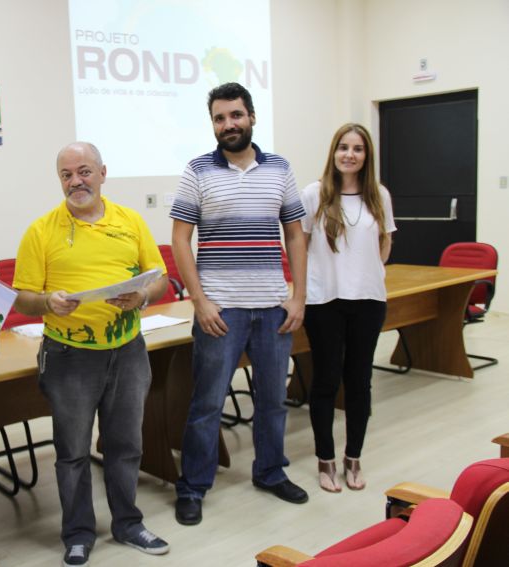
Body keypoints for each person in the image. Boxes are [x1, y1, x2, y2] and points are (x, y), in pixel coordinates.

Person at [12, 142, 170, 567]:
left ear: (102, 173)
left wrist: (142, 296)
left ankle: (128, 523)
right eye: (66, 175)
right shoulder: (41, 230)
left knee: (126, 444)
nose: (75, 181)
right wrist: (48, 302)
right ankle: (79, 533)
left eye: (84, 171)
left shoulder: (130, 221)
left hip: (128, 350)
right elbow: (22, 298)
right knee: (73, 452)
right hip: (70, 356)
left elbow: (159, 279)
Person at [170, 82, 310, 525]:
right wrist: (200, 302)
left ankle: (270, 472)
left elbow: (295, 235)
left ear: (251, 117)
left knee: (272, 399)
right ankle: (193, 486)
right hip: (221, 310)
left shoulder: (279, 169)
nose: (228, 124)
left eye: (235, 115)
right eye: (219, 118)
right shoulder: (198, 170)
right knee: (207, 403)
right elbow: (180, 239)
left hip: (272, 308)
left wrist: (299, 296)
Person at [301, 123, 396, 493]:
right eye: (343, 147)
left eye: (357, 149)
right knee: (326, 380)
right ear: (334, 152)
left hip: (368, 301)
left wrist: (366, 272)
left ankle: (353, 457)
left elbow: (384, 242)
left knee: (359, 382)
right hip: (324, 301)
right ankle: (325, 459)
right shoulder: (314, 194)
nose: (349, 155)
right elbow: (299, 245)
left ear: (366, 156)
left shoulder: (379, 195)